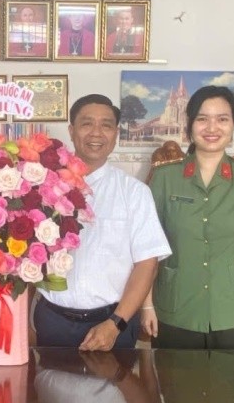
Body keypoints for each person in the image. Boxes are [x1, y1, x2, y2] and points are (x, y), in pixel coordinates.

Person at [34, 94, 171, 350]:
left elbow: (147, 264)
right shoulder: (43, 186)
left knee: (114, 378)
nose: (96, 133)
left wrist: (115, 323)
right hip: (53, 320)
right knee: (49, 376)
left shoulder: (134, 192)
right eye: (87, 124)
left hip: (114, 322)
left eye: (106, 125)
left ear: (116, 134)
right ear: (72, 131)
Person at [147, 85, 234, 351]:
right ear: (189, 125)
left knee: (232, 376)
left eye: (222, 119)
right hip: (175, 305)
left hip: (233, 307)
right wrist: (146, 304)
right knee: (174, 376)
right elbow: (147, 246)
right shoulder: (164, 177)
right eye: (202, 119)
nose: (212, 128)